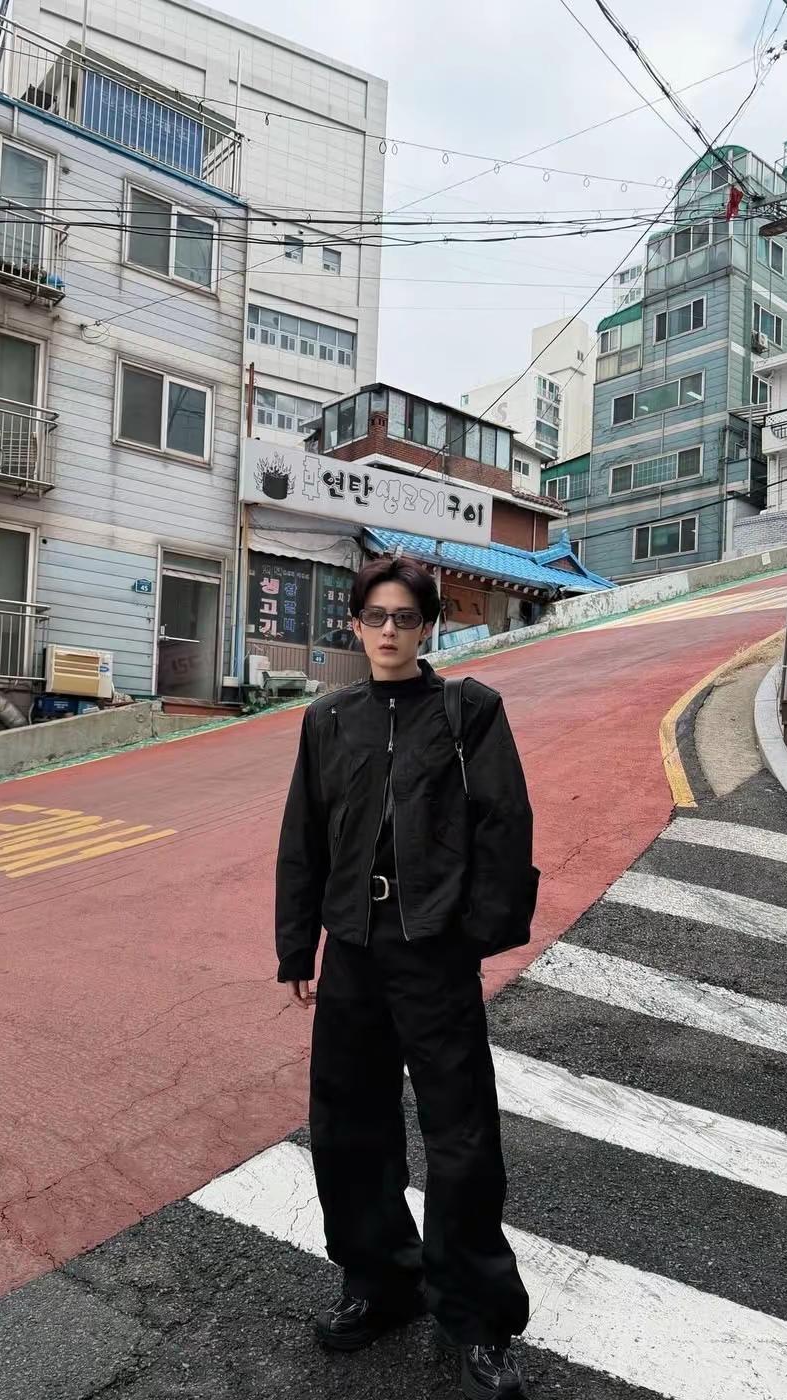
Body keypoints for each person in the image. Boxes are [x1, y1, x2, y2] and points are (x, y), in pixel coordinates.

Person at [275, 555, 540, 1399]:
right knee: (348, 1126)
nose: (389, 631)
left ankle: (478, 1314)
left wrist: (473, 935)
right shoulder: (328, 719)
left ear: (429, 627)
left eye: (405, 618)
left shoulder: (469, 711)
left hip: (433, 951)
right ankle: (380, 1282)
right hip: (354, 948)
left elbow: (505, 823)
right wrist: (298, 947)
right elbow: (303, 836)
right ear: (355, 624)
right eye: (375, 617)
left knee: (461, 1135)